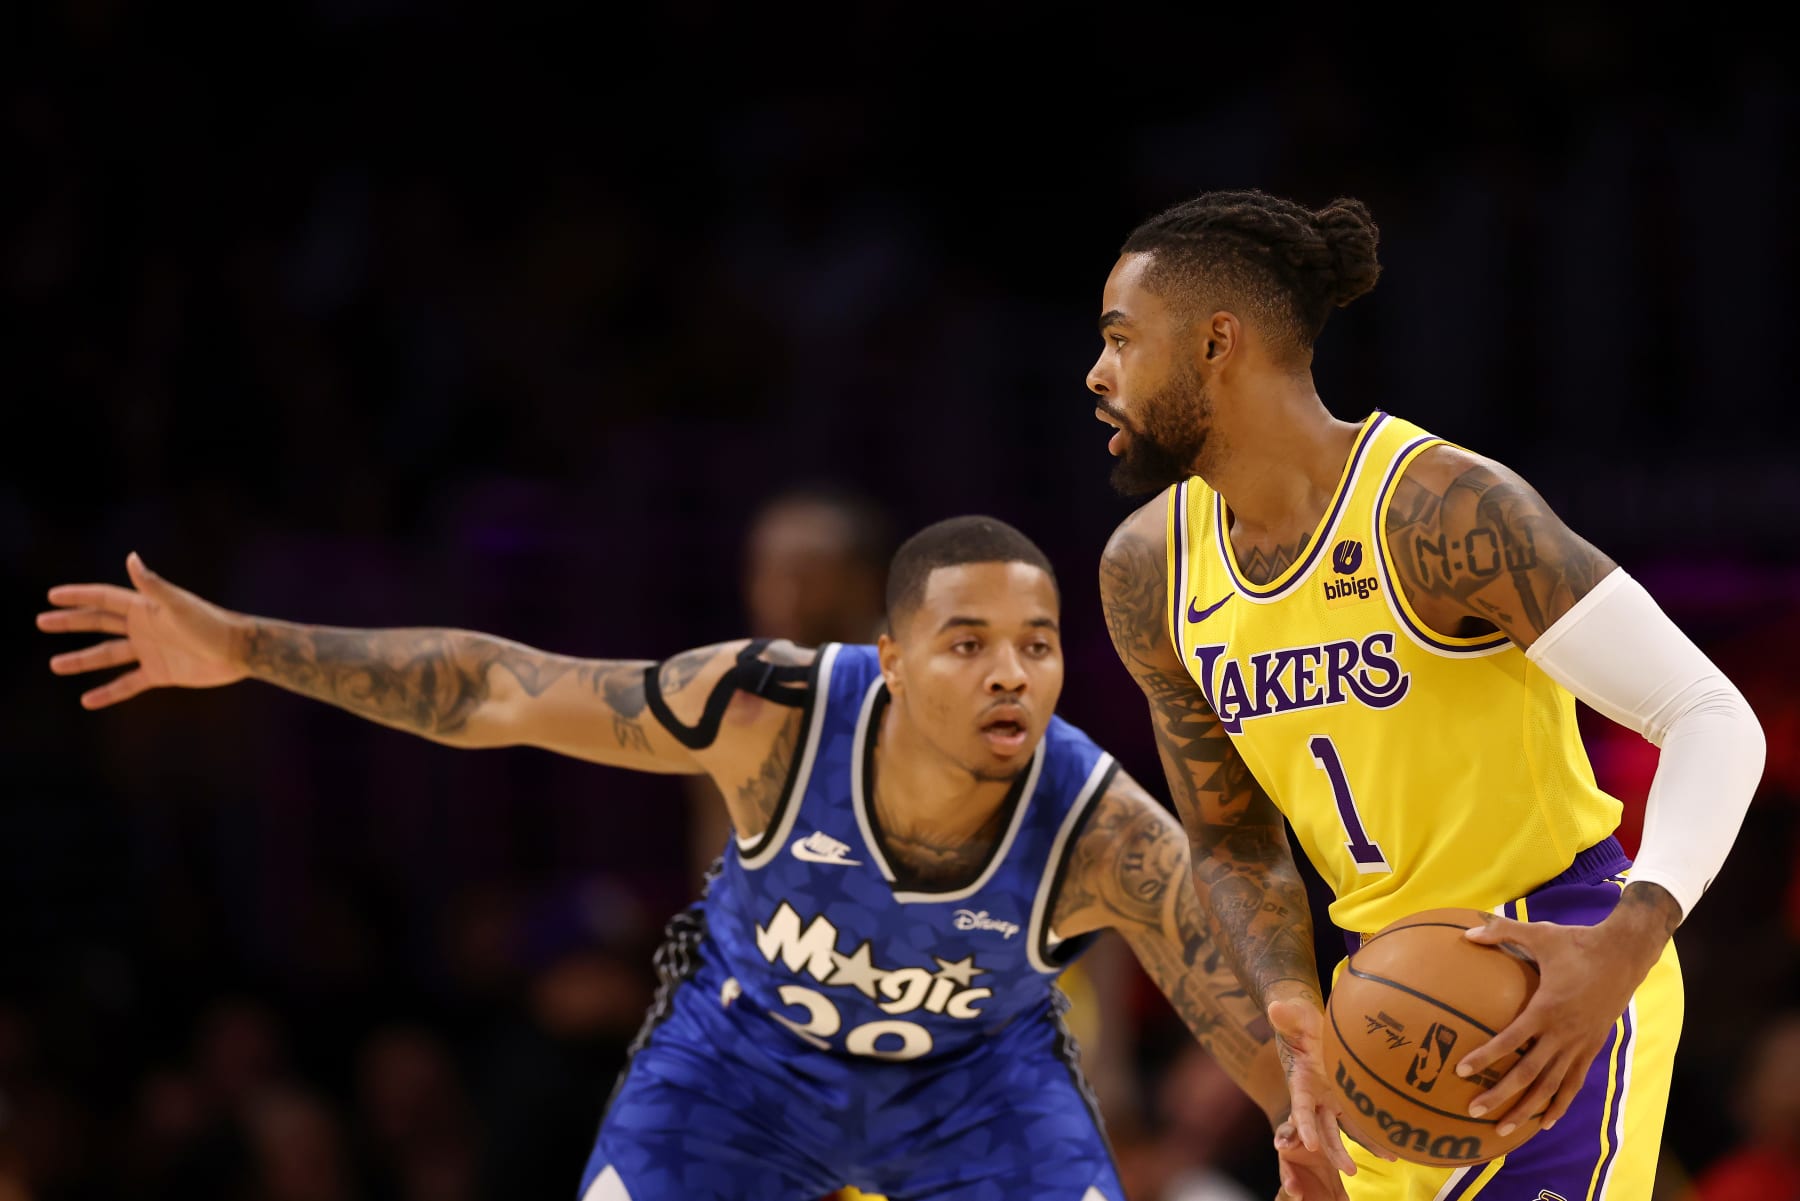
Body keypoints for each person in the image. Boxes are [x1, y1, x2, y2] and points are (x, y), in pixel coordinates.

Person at [40, 516, 1340, 1201]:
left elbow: (1276, 1051)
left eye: (1040, 642)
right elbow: (499, 687)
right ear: (889, 660)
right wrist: (249, 646)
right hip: (743, 1070)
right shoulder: (767, 708)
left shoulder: (1096, 819)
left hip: (972, 1092)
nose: (1012, 672)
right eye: (968, 643)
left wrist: (1370, 1146)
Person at [1084, 188, 1767, 1199]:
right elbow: (1232, 838)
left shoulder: (1439, 510)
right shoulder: (1149, 569)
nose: (1098, 375)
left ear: (1215, 343)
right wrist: (1294, 1033)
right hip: (1381, 1013)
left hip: (1555, 971)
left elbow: (1713, 716)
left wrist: (1628, 942)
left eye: (1120, 340)